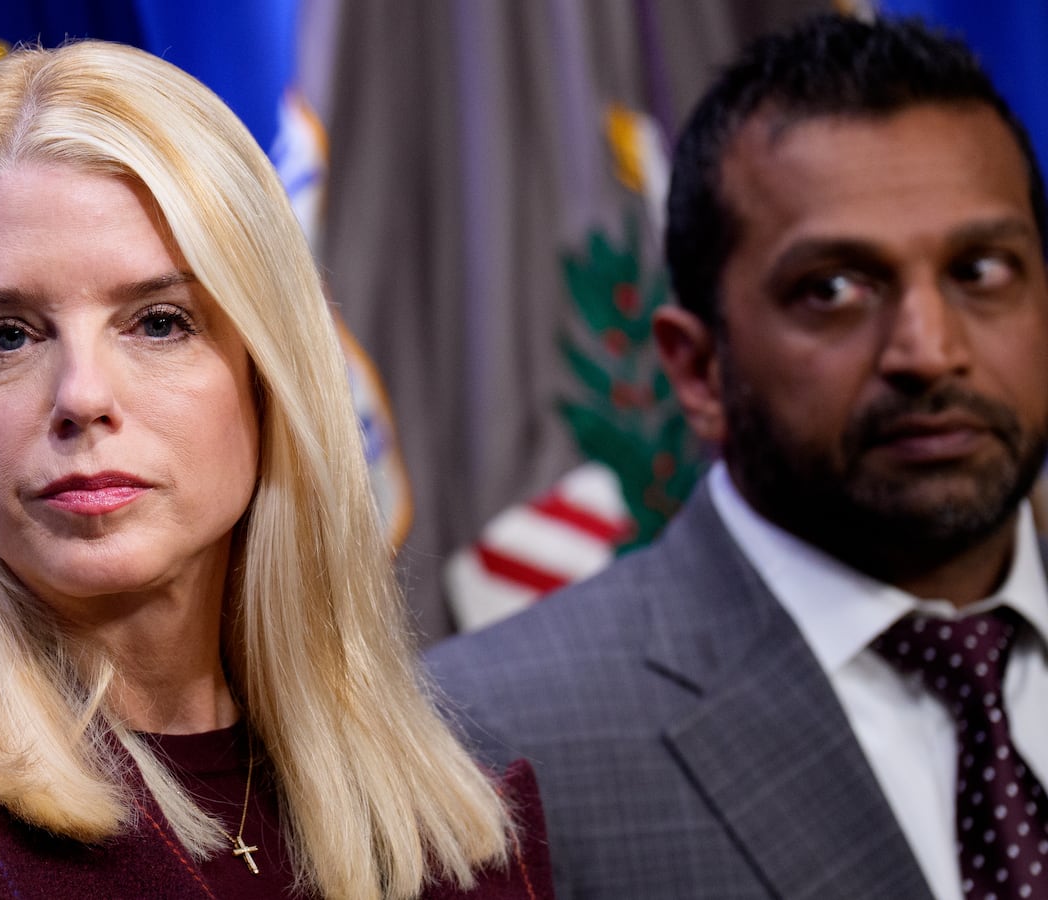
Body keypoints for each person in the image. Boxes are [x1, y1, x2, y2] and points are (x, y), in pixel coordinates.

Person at [0, 40, 551, 900]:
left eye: (159, 322)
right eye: (8, 336)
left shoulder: (457, 827)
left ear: (268, 372)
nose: (82, 396)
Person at [428, 14, 1048, 900]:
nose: (930, 349)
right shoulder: (482, 753)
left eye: (982, 270)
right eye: (832, 289)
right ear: (698, 368)